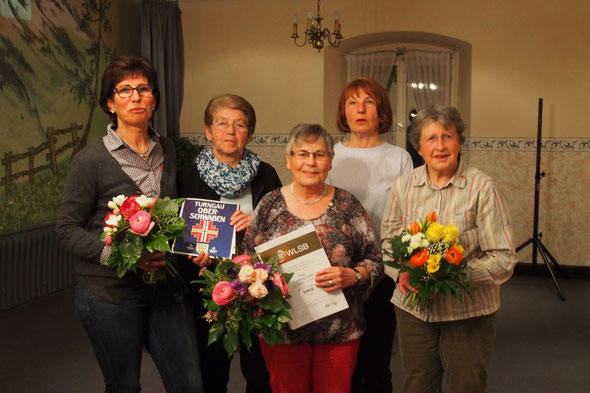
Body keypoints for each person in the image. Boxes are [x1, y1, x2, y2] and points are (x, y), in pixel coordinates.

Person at [56, 56, 204, 392]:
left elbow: (173, 212)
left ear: (153, 99)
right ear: (110, 103)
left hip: (166, 286)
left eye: (143, 89)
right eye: (124, 90)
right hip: (109, 293)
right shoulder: (90, 161)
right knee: (124, 386)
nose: (135, 97)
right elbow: (66, 228)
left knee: (190, 384)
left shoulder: (165, 148)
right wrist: (120, 256)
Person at [381, 105, 517, 393]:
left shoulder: (483, 188)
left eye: (447, 136)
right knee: (417, 386)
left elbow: (503, 259)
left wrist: (452, 275)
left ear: (459, 142)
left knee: (466, 386)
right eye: (431, 139)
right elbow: (388, 244)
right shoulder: (403, 187)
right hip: (414, 311)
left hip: (468, 312)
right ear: (419, 148)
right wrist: (401, 272)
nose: (440, 146)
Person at [242, 124, 383, 393]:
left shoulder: (347, 204)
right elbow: (247, 262)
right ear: (289, 159)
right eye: (302, 154)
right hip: (282, 330)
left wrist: (352, 275)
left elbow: (374, 260)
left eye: (319, 155)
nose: (310, 162)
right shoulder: (270, 204)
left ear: (330, 161)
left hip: (340, 330)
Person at [177, 94, 282, 393]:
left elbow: (282, 226)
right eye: (221, 123)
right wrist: (190, 254)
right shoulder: (185, 176)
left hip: (257, 288)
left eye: (239, 124)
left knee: (260, 376)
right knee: (211, 374)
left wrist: (257, 222)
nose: (230, 131)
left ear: (248, 133)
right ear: (208, 131)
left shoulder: (266, 174)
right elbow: (175, 232)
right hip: (206, 287)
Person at [327, 77, 413, 393]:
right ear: (344, 112)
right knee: (342, 362)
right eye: (352, 102)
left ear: (381, 113)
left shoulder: (399, 157)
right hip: (339, 269)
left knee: (377, 363)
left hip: (384, 270)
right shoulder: (330, 155)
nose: (360, 109)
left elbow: (407, 214)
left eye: (368, 102)